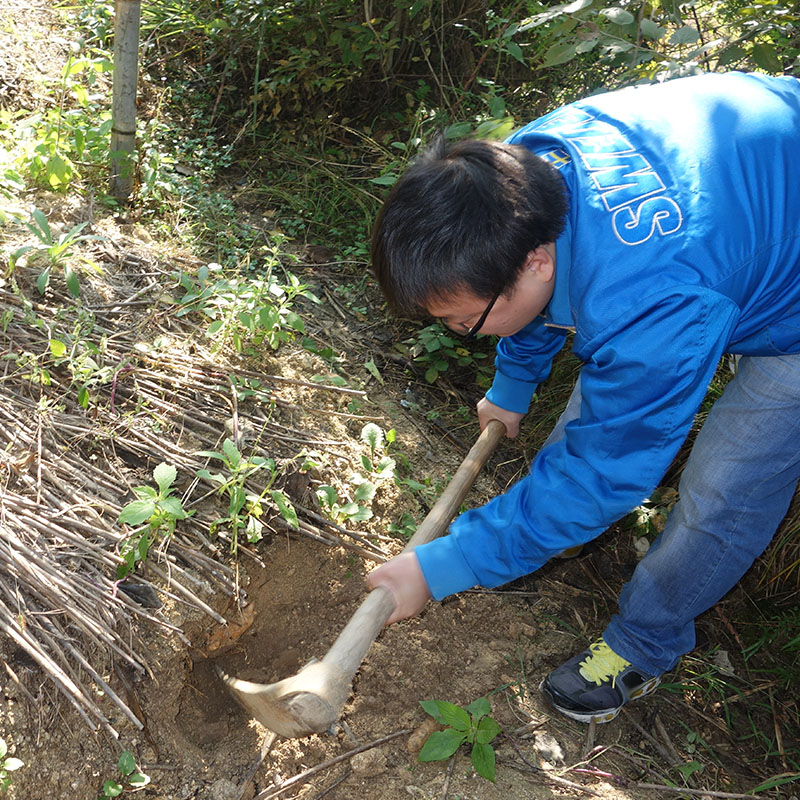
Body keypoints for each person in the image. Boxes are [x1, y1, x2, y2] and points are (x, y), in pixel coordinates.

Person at [366, 70, 800, 724]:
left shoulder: (648, 303)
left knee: (725, 486)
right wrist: (512, 385)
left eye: (463, 323)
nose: (459, 335)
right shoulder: (519, 170)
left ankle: (642, 644)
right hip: (752, 202)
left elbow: (603, 474)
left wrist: (443, 566)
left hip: (772, 289)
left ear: (535, 261)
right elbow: (534, 300)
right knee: (592, 427)